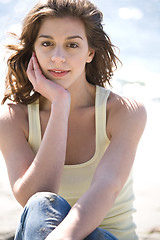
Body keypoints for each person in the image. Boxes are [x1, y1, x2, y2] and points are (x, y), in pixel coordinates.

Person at [0, 0, 147, 239]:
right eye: (47, 43)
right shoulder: (14, 118)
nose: (58, 57)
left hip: (108, 237)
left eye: (72, 45)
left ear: (90, 52)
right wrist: (60, 105)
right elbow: (34, 199)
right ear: (34, 50)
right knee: (40, 203)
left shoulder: (123, 111)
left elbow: (106, 188)